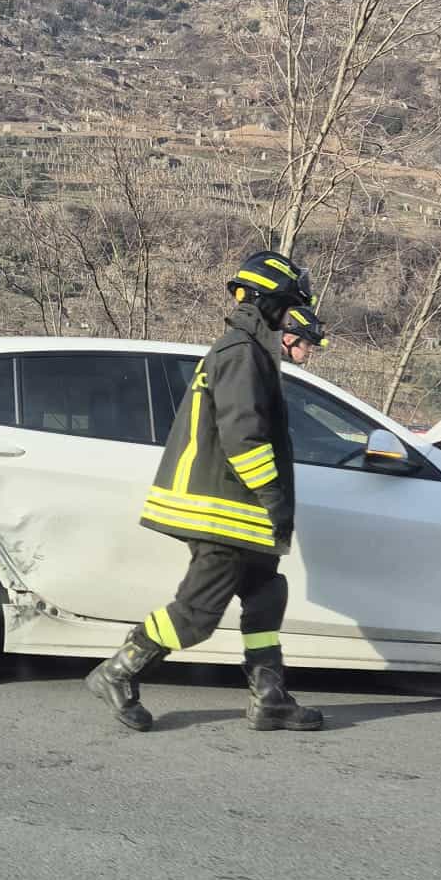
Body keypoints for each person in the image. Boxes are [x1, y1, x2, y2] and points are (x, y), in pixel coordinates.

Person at [86, 249, 327, 734]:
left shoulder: (249, 350)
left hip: (241, 512)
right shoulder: (240, 353)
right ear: (268, 302)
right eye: (284, 305)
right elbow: (243, 435)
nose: (287, 316)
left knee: (265, 595)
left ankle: (271, 698)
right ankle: (118, 671)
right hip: (226, 512)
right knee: (197, 614)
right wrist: (276, 499)